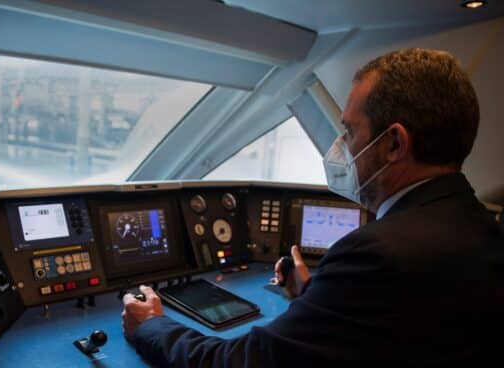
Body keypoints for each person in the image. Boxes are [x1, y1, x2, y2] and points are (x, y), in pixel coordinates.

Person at [121, 48, 504, 367]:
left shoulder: (377, 256)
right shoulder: (486, 228)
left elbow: (238, 363)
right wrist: (316, 301)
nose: (342, 148)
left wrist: (153, 325)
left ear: (394, 145)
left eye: (350, 132)